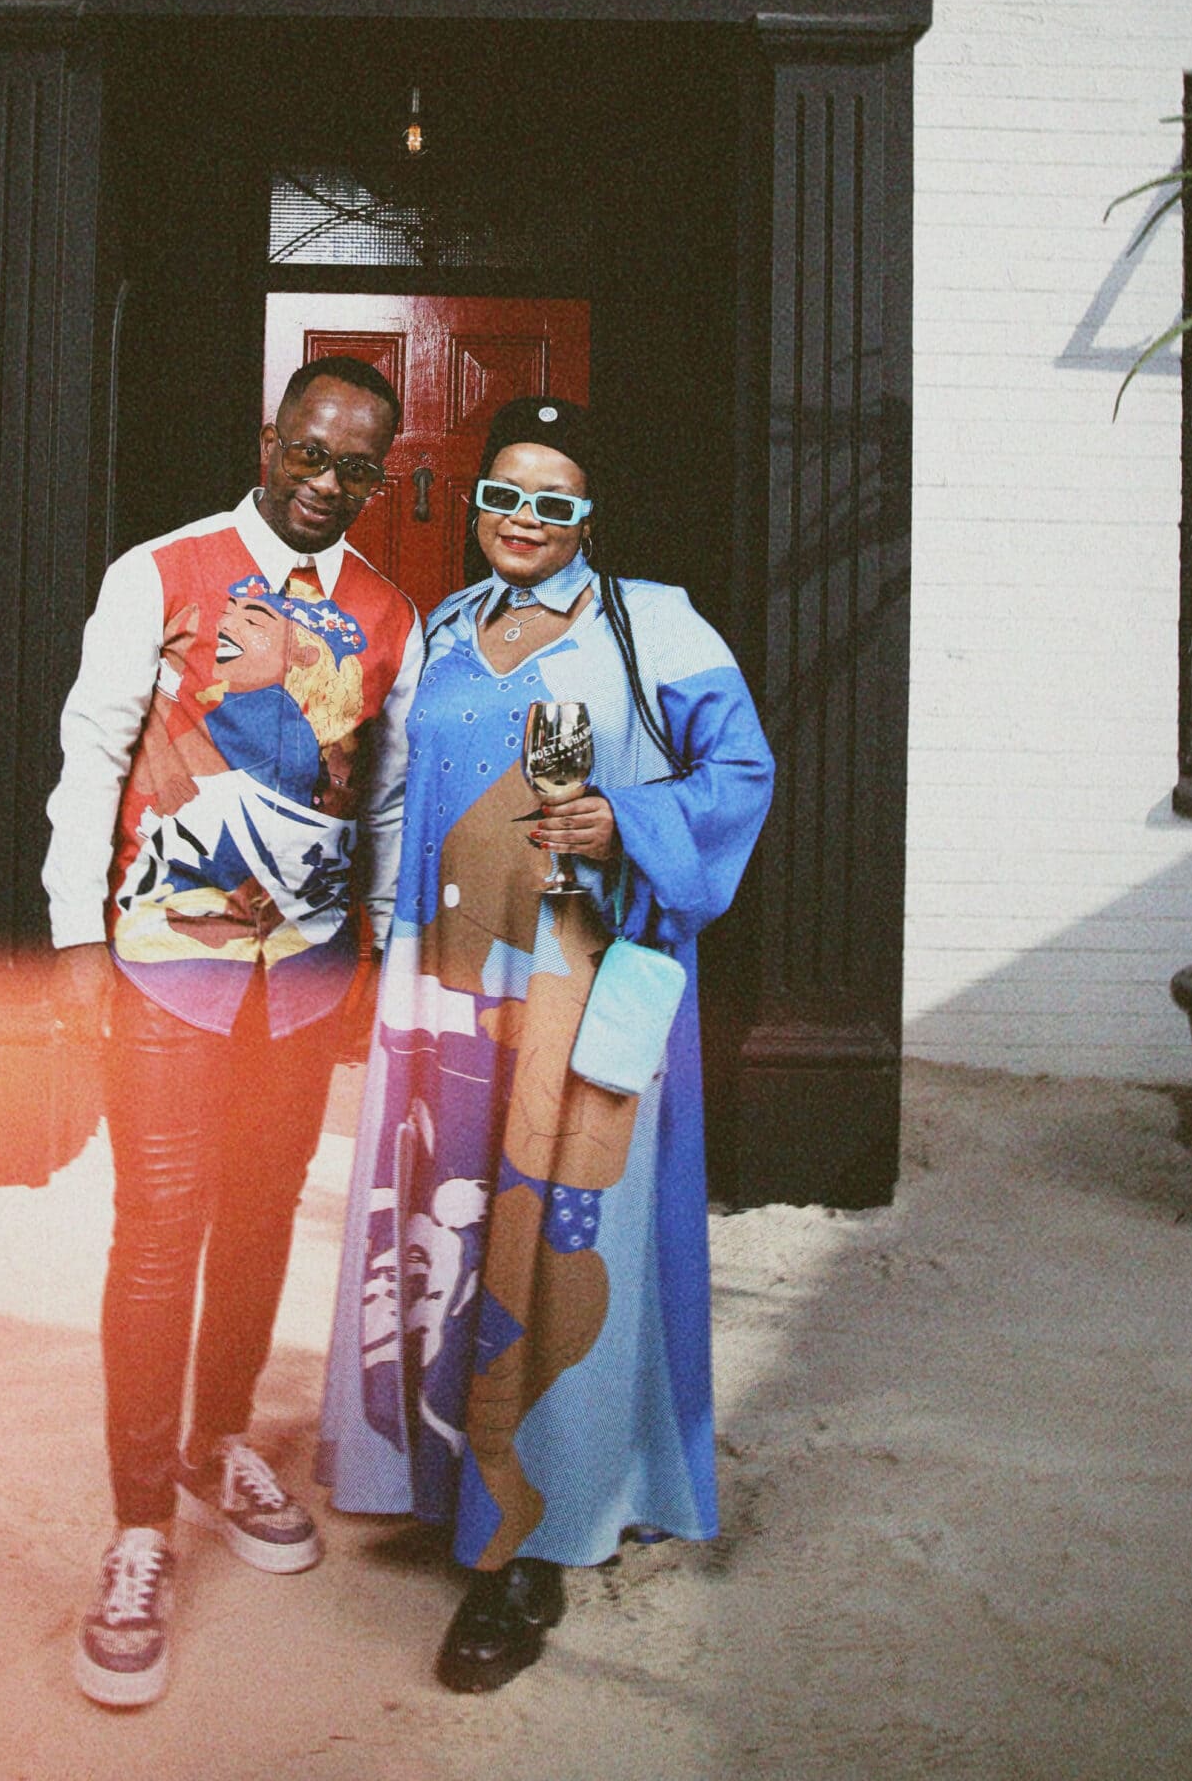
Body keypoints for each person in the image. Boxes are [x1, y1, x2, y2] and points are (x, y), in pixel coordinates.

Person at [317, 395, 773, 1692]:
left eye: (553, 501)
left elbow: (740, 775)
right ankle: (437, 1475)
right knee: (442, 1218)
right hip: (444, 990)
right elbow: (395, 797)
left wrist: (622, 819)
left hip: (575, 980)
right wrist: (377, 933)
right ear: (474, 503)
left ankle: (529, 1541)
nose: (524, 520)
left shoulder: (655, 623)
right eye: (503, 494)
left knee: (561, 1236)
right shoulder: (440, 629)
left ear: (589, 515)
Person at [44, 358, 422, 1709]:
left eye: (355, 466)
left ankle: (217, 1444)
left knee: (261, 1215)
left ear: (379, 475)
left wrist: (384, 946)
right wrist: (73, 932)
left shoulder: (389, 613)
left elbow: (386, 798)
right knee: (160, 1224)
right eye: (308, 452)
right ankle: (139, 1525)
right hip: (166, 959)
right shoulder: (162, 571)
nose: (325, 483)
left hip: (306, 973)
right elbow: (94, 748)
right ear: (270, 439)